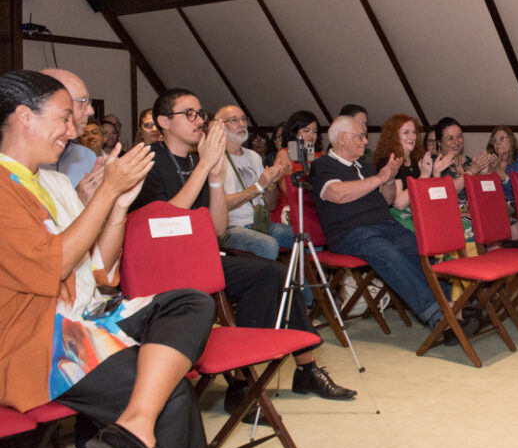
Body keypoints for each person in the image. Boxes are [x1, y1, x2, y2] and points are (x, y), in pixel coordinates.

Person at [0, 69, 214, 448]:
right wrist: (108, 192)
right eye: (64, 117)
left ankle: (135, 423)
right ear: (24, 117)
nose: (73, 129)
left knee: (189, 301)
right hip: (32, 341)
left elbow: (97, 268)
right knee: (166, 391)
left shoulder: (53, 182)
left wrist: (116, 207)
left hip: (85, 316)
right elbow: (56, 262)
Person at [130, 90, 355, 415]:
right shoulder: (147, 160)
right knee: (266, 269)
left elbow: (217, 228)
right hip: (163, 266)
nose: (198, 120)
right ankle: (243, 382)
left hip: (203, 256)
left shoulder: (196, 160)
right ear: (164, 121)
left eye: (200, 113)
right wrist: (206, 167)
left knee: (275, 274)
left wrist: (215, 178)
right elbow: (165, 223)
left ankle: (299, 370)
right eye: (189, 114)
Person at [309, 115, 481, 340]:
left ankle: (454, 305)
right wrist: (381, 177)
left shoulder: (364, 166)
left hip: (385, 225)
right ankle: (440, 317)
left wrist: (389, 180)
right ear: (341, 138)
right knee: (391, 256)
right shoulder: (323, 165)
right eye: (360, 136)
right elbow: (338, 194)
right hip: (351, 232)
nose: (365, 142)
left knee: (423, 249)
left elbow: (387, 199)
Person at [215, 105, 291, 260]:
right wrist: (259, 186)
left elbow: (271, 205)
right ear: (220, 126)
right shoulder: (215, 158)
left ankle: (299, 277)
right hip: (230, 228)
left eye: (244, 119)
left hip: (259, 224)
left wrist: (271, 184)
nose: (242, 124)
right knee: (268, 244)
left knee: (302, 236)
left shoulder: (254, 156)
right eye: (234, 120)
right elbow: (221, 205)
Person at [38, 69, 99, 193]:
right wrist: (77, 200)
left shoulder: (87, 157)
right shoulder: (16, 162)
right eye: (82, 102)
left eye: (89, 102)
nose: (91, 111)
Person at [373, 114, 432, 231]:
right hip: (398, 219)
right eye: (406, 132)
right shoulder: (390, 162)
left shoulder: (417, 159)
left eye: (414, 132)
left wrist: (437, 173)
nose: (412, 137)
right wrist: (423, 176)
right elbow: (399, 204)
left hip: (420, 212)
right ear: (394, 137)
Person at [433, 116, 495, 207]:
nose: (456, 142)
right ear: (439, 142)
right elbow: (446, 191)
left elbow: (481, 195)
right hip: (449, 211)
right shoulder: (434, 162)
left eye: (459, 136)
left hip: (473, 211)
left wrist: (483, 174)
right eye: (450, 138)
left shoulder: (468, 161)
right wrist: (472, 171)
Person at [484, 126, 518, 205]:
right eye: (494, 140)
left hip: (514, 208)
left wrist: (498, 171)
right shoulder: (490, 160)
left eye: (502, 139)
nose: (498, 143)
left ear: (511, 141)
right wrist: (486, 173)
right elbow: (484, 191)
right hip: (492, 204)